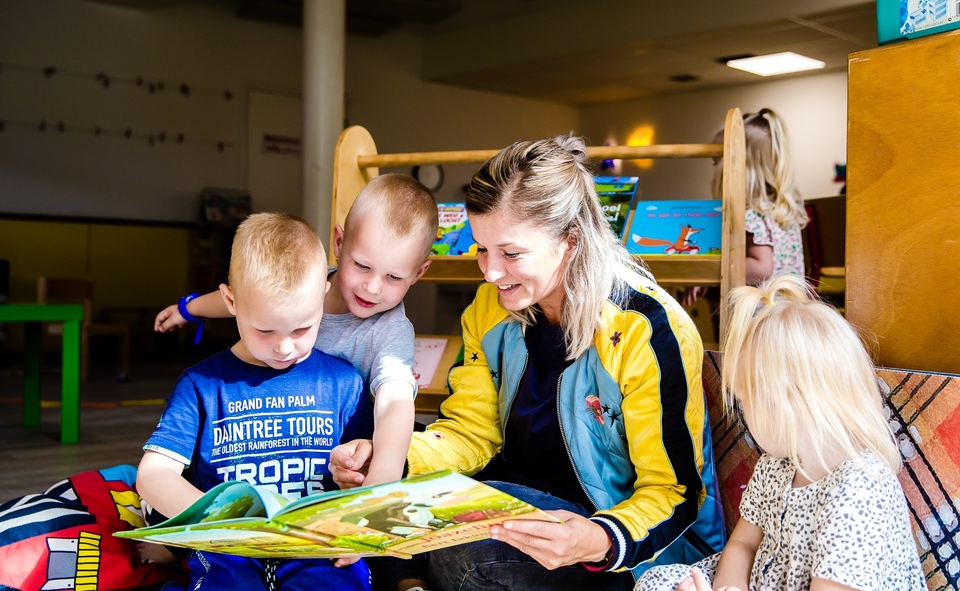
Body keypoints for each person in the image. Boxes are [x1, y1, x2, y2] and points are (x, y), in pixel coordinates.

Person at [331, 134, 726, 591]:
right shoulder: (488, 308)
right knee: (390, 515)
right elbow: (471, 433)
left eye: (511, 253)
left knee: (466, 558)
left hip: (621, 546)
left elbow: (675, 494)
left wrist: (597, 538)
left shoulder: (646, 329)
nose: (491, 272)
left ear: (570, 241)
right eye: (481, 248)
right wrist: (392, 459)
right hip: (516, 514)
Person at [636, 275, 926, 591]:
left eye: (745, 401)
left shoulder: (859, 492)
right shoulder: (778, 463)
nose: (744, 417)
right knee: (658, 581)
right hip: (768, 580)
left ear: (786, 405)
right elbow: (744, 544)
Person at [137, 213, 375, 590]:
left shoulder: (343, 382)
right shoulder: (201, 384)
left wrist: (361, 466)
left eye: (302, 328)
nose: (284, 347)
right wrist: (216, 521)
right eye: (264, 329)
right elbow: (152, 475)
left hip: (318, 545)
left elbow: (370, 474)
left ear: (322, 299)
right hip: (226, 545)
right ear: (230, 301)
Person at [154, 173, 439, 487]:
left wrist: (383, 479)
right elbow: (249, 298)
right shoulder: (307, 280)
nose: (372, 287)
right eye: (362, 266)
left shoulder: (391, 330)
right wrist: (189, 310)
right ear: (340, 243)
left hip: (333, 455)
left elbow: (395, 402)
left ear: (419, 272)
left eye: (393, 277)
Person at [682, 108, 808, 307]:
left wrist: (709, 272)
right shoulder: (776, 211)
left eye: (716, 162)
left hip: (762, 313)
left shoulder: (749, 216)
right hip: (788, 310)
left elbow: (761, 267)